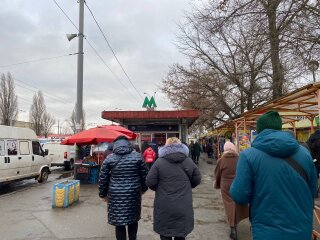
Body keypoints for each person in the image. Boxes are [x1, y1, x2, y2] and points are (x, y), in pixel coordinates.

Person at [230, 111, 318, 240]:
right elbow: (313, 191)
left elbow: (239, 195)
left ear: (259, 130)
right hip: (302, 230)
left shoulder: (248, 156)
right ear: (279, 128)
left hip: (266, 232)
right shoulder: (305, 154)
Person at [146, 137, 201, 240]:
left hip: (164, 204)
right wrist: (189, 186)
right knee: (180, 234)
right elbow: (197, 179)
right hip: (183, 204)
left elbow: (149, 181)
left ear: (166, 146)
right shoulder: (188, 161)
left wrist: (159, 188)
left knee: (165, 233)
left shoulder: (159, 162)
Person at [98, 136, 149, 240]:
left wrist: (103, 194)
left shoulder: (109, 158)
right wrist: (144, 189)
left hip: (115, 195)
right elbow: (145, 175)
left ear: (115, 145)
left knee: (119, 222)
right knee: (133, 220)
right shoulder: (137, 157)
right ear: (128, 143)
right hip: (133, 193)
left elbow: (103, 178)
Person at [214, 142, 248, 240]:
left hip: (225, 186)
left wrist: (217, 184)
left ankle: (233, 228)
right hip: (237, 184)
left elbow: (217, 174)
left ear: (224, 149)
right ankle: (236, 222)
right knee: (236, 203)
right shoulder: (240, 158)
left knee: (229, 205)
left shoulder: (221, 160)